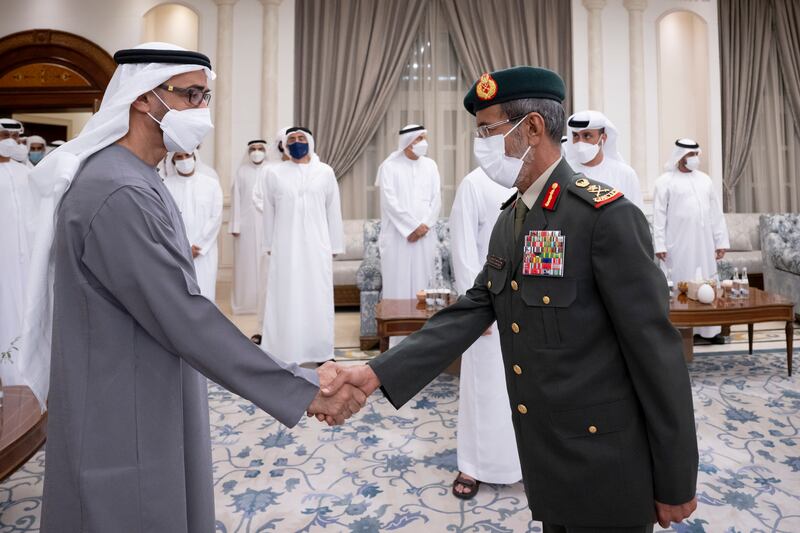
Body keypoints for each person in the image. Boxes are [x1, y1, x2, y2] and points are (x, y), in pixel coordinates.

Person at [324, 66, 699, 532]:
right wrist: (374, 372)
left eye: (487, 130)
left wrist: (676, 479)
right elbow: (475, 307)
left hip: (605, 462)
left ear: (533, 129)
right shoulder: (513, 217)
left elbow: (656, 354)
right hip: (549, 458)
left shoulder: (605, 217)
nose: (479, 143)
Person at [16, 43, 363, 533]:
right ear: (143, 98)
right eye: (191, 95)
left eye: (206, 97)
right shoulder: (118, 191)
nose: (202, 111)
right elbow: (183, 314)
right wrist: (301, 388)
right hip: (121, 408)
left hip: (147, 383)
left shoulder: (135, 175)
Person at [448, 166, 521, 499]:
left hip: (529, 305)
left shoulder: (534, 179)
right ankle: (473, 465)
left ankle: (522, 464)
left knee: (524, 389)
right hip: (487, 304)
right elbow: (462, 250)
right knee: (483, 387)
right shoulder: (474, 184)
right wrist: (475, 312)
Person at [260, 127, 344, 365]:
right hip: (285, 246)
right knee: (286, 296)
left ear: (310, 142)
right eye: (292, 140)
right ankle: (284, 351)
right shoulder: (273, 173)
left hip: (317, 246)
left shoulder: (325, 172)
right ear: (285, 145)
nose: (297, 143)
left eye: (301, 139)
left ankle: (321, 352)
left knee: (318, 296)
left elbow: (333, 210)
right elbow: (269, 212)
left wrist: (335, 245)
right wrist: (268, 243)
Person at [653, 138, 729, 344]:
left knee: (708, 283)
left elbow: (715, 213)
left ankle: (709, 332)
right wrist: (659, 244)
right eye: (690, 155)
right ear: (679, 157)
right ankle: (681, 331)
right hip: (677, 245)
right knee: (681, 283)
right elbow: (659, 216)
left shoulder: (705, 180)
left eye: (696, 155)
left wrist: (720, 241)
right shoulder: (664, 182)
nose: (694, 159)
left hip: (705, 244)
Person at [375, 125, 442, 303]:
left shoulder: (430, 165)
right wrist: (412, 228)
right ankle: (398, 331)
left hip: (424, 236)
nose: (424, 143)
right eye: (419, 139)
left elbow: (436, 200)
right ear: (408, 142)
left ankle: (424, 330)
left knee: (423, 283)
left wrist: (424, 226)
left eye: (424, 138)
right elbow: (390, 202)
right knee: (398, 283)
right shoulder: (389, 167)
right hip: (398, 237)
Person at [163, 150, 224, 302]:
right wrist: (181, 247)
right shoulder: (165, 185)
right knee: (180, 295)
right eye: (179, 157)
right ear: (172, 161)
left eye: (187, 155)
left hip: (204, 252)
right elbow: (164, 218)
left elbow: (215, 217)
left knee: (205, 292)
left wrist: (199, 245)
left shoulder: (211, 184)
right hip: (176, 251)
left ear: (195, 157)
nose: (184, 160)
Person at [251, 127, 290, 343]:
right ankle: (264, 330)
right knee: (268, 283)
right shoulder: (268, 170)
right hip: (272, 235)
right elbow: (258, 198)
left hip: (297, 238)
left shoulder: (310, 168)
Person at [0, 120, 31, 386]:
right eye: (4, 135)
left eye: (13, 136)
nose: (10, 141)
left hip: (27, 259)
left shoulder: (26, 173)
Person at [565, 110, 644, 210]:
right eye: (576, 136)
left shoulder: (625, 174)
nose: (580, 142)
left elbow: (636, 215)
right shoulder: (565, 170)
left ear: (603, 138)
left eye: (587, 136)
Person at [229, 140, 269, 315]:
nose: (256, 152)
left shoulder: (271, 170)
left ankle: (266, 303)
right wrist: (235, 225)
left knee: (265, 264)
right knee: (246, 265)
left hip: (267, 224)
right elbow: (236, 199)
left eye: (260, 149)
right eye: (253, 149)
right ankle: (246, 304)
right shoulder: (241, 171)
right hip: (245, 227)